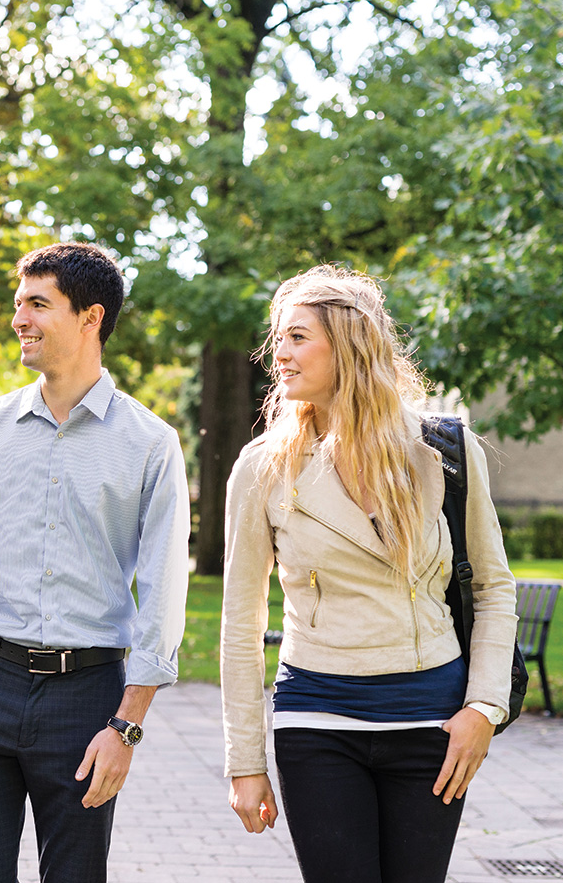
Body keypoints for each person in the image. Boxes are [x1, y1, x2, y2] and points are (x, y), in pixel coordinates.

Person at [220, 264, 518, 882]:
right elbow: (239, 624)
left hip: (432, 721)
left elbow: (492, 587)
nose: (279, 353)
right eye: (278, 337)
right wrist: (245, 762)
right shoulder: (263, 469)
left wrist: (483, 709)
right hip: (317, 717)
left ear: (350, 346)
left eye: (297, 337)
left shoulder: (444, 451)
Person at [0, 242, 191, 882]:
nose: (20, 320)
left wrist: (127, 727)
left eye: (39, 304)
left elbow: (164, 590)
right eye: (19, 304)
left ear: (91, 318)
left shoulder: (149, 445)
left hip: (88, 698)